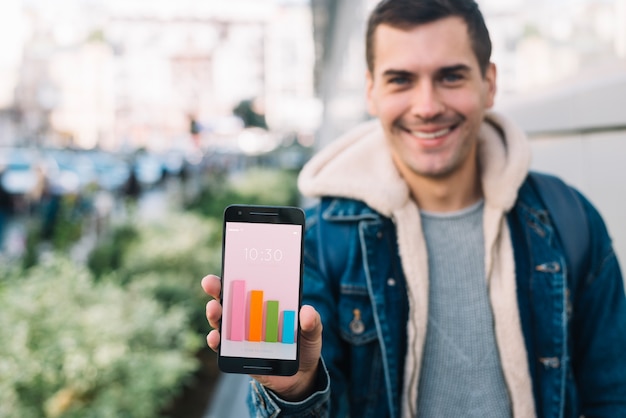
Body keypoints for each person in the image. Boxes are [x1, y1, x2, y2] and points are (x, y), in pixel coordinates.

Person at [202, 0, 626, 416]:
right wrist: (296, 393)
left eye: (451, 77)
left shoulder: (568, 219)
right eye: (401, 80)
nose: (426, 106)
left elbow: (613, 393)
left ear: (489, 83)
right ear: (371, 91)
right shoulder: (318, 244)